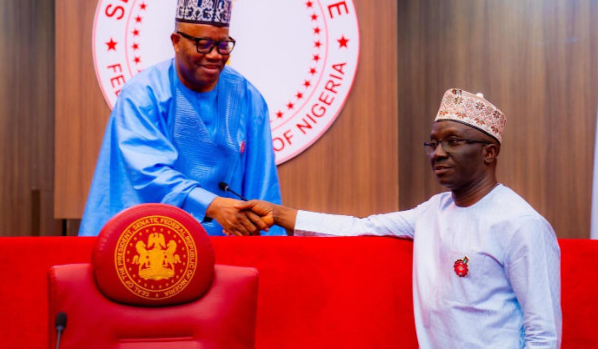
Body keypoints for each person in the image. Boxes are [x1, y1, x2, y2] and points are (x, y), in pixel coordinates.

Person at [238, 88, 561, 348]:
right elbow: (361, 227)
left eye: (453, 141)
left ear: (489, 152)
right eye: (433, 144)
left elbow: (544, 335)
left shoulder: (520, 223)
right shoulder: (433, 212)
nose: (438, 153)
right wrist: (281, 214)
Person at [80, 0, 284, 237]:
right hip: (150, 241)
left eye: (223, 45)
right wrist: (212, 205)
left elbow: (261, 183)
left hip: (225, 243)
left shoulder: (247, 97)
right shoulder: (144, 93)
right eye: (203, 44)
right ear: (176, 42)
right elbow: (148, 173)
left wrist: (268, 246)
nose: (214, 55)